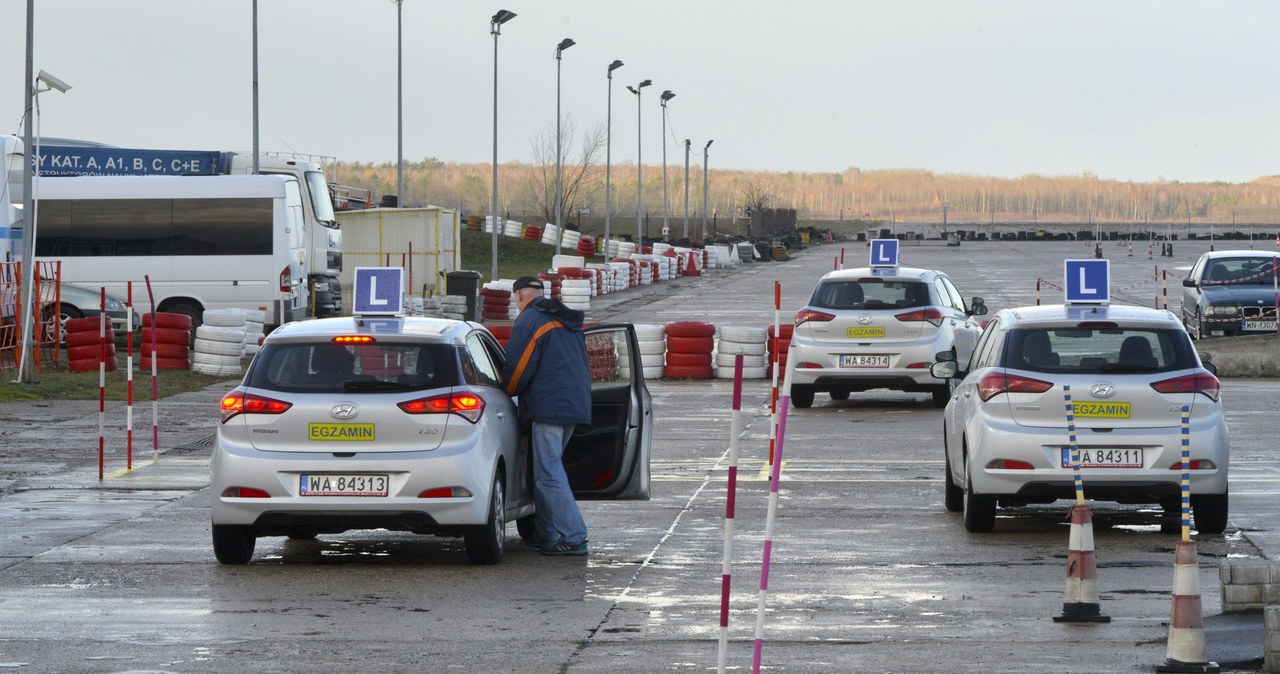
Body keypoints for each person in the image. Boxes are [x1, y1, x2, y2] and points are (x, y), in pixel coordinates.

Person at [501, 275, 592, 556]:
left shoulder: (530, 320)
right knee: (546, 471)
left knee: (548, 473)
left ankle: (575, 536)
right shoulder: (565, 319)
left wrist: (507, 392)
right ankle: (548, 534)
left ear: (518, 297)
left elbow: (517, 368)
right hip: (574, 405)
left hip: (548, 407)